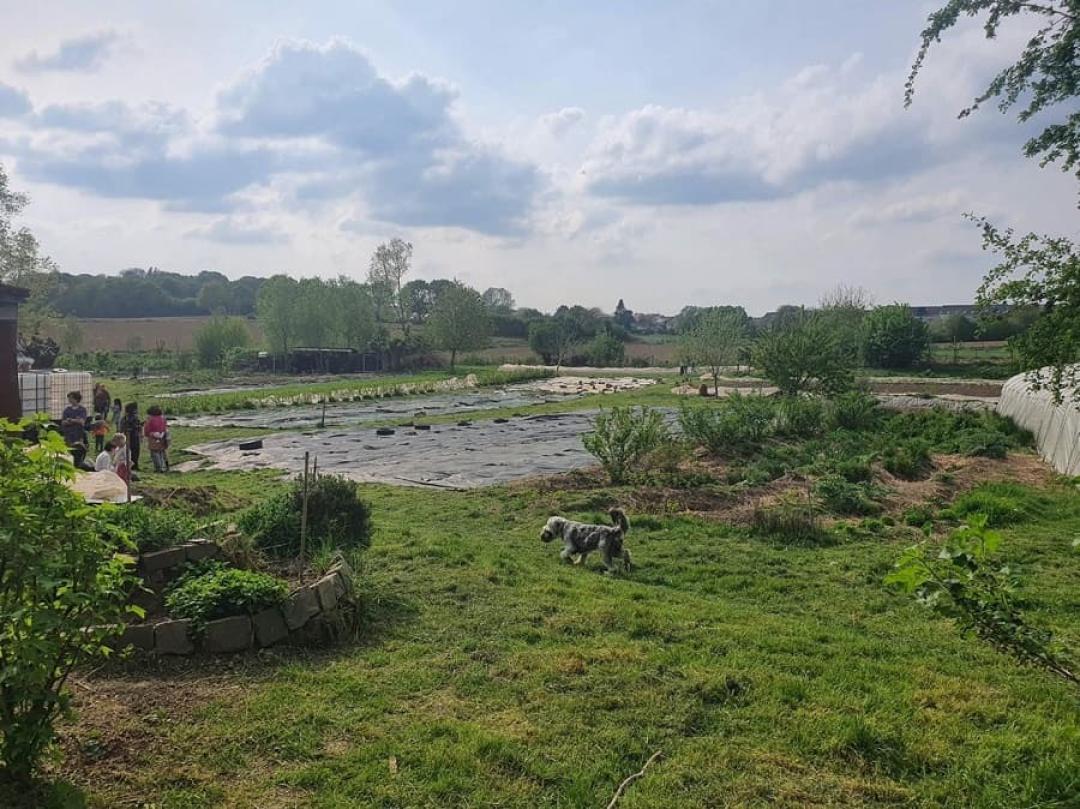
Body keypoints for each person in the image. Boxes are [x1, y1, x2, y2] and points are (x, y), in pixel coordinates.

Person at [61, 390, 89, 468]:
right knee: (69, 451)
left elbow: (82, 422)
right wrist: (75, 421)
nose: (69, 400)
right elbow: (63, 423)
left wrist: (71, 420)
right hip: (69, 435)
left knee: (79, 450)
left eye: (70, 398)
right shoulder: (67, 410)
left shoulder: (82, 409)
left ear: (75, 399)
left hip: (78, 434)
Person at [144, 405, 169, 472]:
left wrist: (147, 434)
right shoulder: (163, 419)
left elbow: (147, 429)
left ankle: (158, 468)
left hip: (153, 437)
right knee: (161, 452)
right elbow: (165, 427)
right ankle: (163, 466)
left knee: (154, 453)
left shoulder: (150, 420)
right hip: (162, 437)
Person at [120, 402, 142, 472]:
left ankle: (134, 464)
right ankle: (132, 465)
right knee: (132, 451)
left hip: (134, 436)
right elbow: (125, 427)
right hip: (130, 436)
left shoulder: (132, 418)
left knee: (135, 451)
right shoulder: (127, 418)